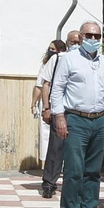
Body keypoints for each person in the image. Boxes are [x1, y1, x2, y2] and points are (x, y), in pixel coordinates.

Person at [49, 20, 104, 208]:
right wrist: (59, 117)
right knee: (74, 169)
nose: (93, 39)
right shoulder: (68, 59)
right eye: (89, 35)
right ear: (80, 36)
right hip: (76, 119)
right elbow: (57, 89)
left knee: (93, 170)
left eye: (97, 36)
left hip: (99, 119)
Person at [33, 35, 75, 199]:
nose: (76, 45)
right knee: (56, 149)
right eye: (73, 42)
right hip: (59, 111)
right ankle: (49, 183)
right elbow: (46, 84)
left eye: (79, 41)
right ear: (67, 43)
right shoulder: (57, 59)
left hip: (79, 112)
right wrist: (47, 107)